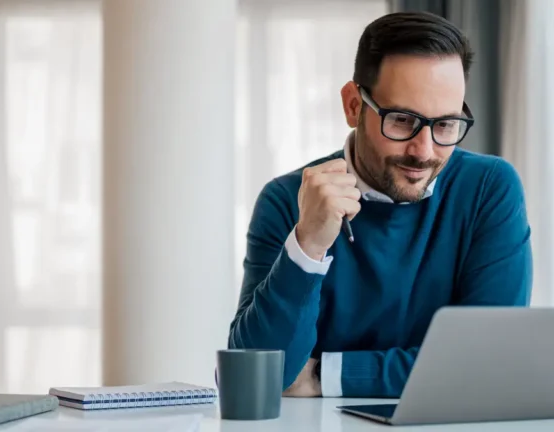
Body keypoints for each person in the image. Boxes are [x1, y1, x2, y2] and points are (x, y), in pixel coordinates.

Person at [227, 11, 533, 398]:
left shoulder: (489, 188)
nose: (424, 151)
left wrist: (326, 376)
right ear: (354, 105)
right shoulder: (287, 200)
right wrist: (308, 246)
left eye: (446, 125)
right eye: (403, 120)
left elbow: (492, 362)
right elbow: (252, 376)